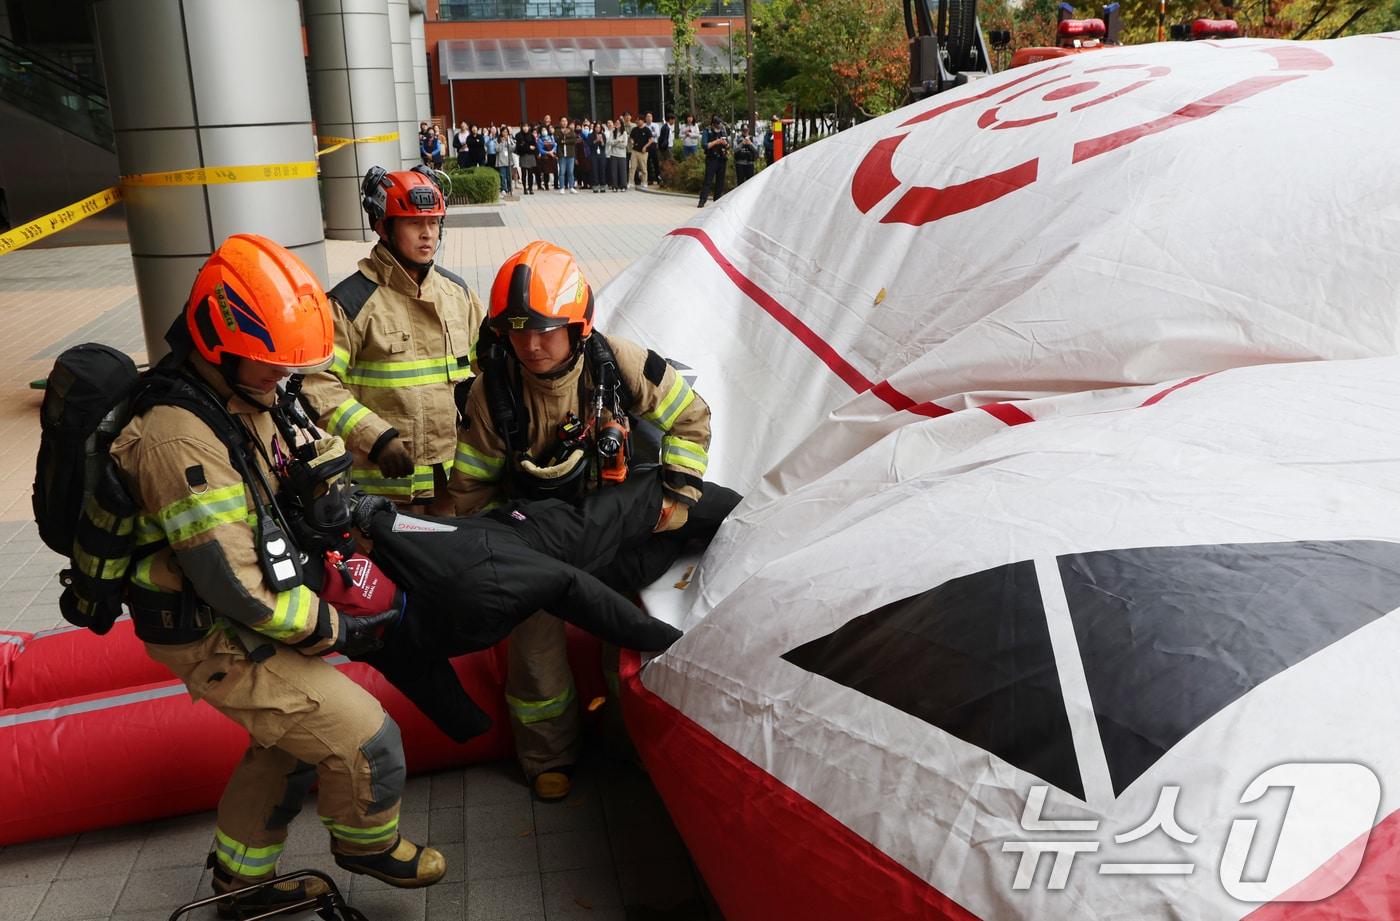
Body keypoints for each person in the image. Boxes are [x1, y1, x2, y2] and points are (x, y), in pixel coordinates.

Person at [110, 234, 446, 917]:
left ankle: (239, 882)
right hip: (212, 629)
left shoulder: (238, 390)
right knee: (364, 736)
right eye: (269, 364)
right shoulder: (180, 439)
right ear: (218, 342)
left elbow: (296, 453)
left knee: (286, 745)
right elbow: (236, 584)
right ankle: (365, 842)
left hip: (236, 607)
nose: (279, 377)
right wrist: (335, 627)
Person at [447, 241, 732, 802]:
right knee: (534, 653)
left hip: (613, 523)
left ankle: (629, 744)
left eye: (547, 330)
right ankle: (549, 756)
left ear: (578, 325)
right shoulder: (492, 393)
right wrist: (485, 552)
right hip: (536, 539)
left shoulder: (621, 364)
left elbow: (690, 418)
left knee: (622, 634)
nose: (531, 344)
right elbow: (472, 482)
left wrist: (678, 493)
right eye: (518, 328)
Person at [302, 166, 486, 512]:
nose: (427, 234)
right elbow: (317, 385)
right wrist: (376, 438)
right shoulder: (349, 303)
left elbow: (488, 369)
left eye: (434, 223)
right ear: (383, 227)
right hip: (385, 494)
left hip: (454, 485)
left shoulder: (457, 294)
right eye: (414, 224)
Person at [698, 115, 729, 208]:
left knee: (720, 181)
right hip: (711, 159)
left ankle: (717, 201)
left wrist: (725, 144)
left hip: (722, 159)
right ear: (713, 124)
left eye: (720, 124)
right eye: (717, 124)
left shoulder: (723, 131)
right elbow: (704, 145)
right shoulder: (707, 131)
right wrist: (716, 142)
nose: (719, 126)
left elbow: (728, 145)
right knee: (708, 180)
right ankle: (702, 201)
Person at [628, 115, 653, 190]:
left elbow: (651, 140)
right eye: (637, 120)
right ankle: (631, 182)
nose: (637, 122)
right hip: (634, 151)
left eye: (639, 120)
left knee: (643, 168)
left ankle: (644, 182)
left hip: (643, 152)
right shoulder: (634, 129)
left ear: (642, 121)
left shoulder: (647, 130)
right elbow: (631, 138)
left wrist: (645, 147)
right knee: (632, 167)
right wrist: (632, 142)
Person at [557, 116, 578, 194]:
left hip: (570, 154)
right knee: (562, 171)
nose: (564, 122)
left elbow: (574, 140)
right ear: (560, 122)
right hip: (562, 154)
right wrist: (564, 137)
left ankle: (571, 187)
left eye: (565, 121)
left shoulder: (571, 131)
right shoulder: (558, 131)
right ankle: (562, 187)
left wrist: (565, 141)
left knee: (570, 171)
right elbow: (558, 140)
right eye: (562, 121)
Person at [606, 118, 629, 192]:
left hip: (622, 155)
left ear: (621, 124)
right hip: (613, 154)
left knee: (622, 171)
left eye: (618, 123)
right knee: (614, 172)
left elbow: (624, 145)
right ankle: (614, 186)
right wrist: (618, 141)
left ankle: (623, 186)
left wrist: (615, 144)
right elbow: (609, 142)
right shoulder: (613, 132)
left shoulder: (624, 133)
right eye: (616, 123)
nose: (617, 124)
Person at [516, 125, 537, 195]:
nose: (525, 128)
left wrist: (526, 146)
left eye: (527, 126)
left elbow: (534, 146)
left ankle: (530, 188)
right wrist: (528, 147)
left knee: (530, 173)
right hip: (523, 155)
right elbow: (520, 146)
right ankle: (524, 188)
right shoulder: (519, 135)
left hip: (531, 156)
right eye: (524, 126)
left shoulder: (531, 135)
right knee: (524, 173)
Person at [588, 122, 608, 194]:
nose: (598, 129)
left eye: (599, 127)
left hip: (602, 154)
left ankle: (603, 185)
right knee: (595, 170)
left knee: (602, 169)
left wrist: (601, 140)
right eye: (596, 127)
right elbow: (589, 144)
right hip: (594, 154)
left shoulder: (603, 135)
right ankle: (595, 185)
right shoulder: (590, 135)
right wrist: (596, 140)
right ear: (594, 128)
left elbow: (604, 145)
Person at [495, 126, 515, 195]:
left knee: (509, 176)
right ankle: (503, 189)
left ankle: (510, 189)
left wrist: (509, 142)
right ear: (501, 132)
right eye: (503, 131)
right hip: (501, 162)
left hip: (509, 161)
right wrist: (502, 142)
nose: (505, 133)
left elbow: (512, 149)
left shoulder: (510, 139)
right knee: (502, 176)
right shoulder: (497, 140)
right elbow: (497, 149)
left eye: (506, 132)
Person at [536, 126, 558, 192]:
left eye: (545, 129)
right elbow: (540, 149)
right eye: (542, 130)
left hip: (552, 156)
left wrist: (552, 151)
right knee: (546, 172)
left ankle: (556, 185)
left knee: (555, 171)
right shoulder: (540, 139)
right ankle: (546, 185)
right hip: (545, 157)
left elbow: (555, 145)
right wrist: (548, 152)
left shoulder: (551, 137)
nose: (544, 131)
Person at [643, 112, 661, 186]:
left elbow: (657, 134)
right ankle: (650, 179)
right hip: (646, 145)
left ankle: (658, 178)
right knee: (647, 163)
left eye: (650, 116)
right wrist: (650, 134)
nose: (649, 118)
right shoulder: (644, 126)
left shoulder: (655, 125)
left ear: (652, 118)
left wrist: (649, 134)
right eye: (647, 116)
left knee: (655, 162)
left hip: (653, 144)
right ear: (645, 118)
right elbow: (644, 136)